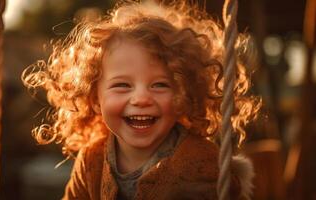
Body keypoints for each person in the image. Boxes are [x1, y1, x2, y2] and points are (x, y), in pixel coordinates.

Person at [22, 1, 261, 199]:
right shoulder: (91, 160)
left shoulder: (203, 164)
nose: (141, 98)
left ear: (183, 95)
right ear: (95, 98)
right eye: (122, 85)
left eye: (160, 85)